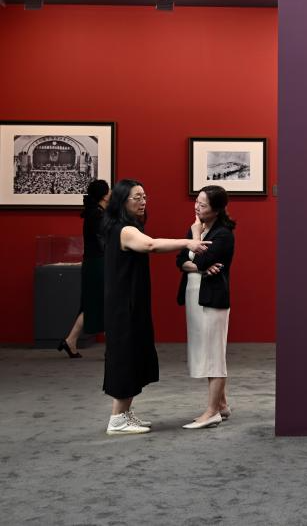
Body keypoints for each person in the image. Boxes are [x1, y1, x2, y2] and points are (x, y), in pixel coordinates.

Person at [102, 179, 210, 435]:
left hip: (130, 302)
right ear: (122, 201)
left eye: (144, 197)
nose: (142, 202)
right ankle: (117, 419)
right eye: (136, 197)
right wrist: (187, 243)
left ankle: (124, 413)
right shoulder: (124, 230)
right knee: (126, 356)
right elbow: (151, 245)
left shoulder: (127, 226)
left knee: (135, 354)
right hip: (123, 306)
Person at [176, 186, 236, 430]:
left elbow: (199, 259)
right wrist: (199, 266)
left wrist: (194, 238)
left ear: (217, 209)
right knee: (205, 350)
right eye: (196, 202)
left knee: (214, 355)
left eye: (202, 205)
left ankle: (212, 412)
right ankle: (221, 404)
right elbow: (180, 261)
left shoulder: (223, 234)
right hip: (194, 296)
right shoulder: (200, 228)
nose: (196, 207)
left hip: (212, 298)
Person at [57, 179, 110, 358]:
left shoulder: (95, 213)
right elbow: (104, 241)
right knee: (106, 302)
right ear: (104, 195)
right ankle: (111, 349)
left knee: (91, 304)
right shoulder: (98, 215)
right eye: (109, 190)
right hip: (99, 263)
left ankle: (70, 341)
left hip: (93, 263)